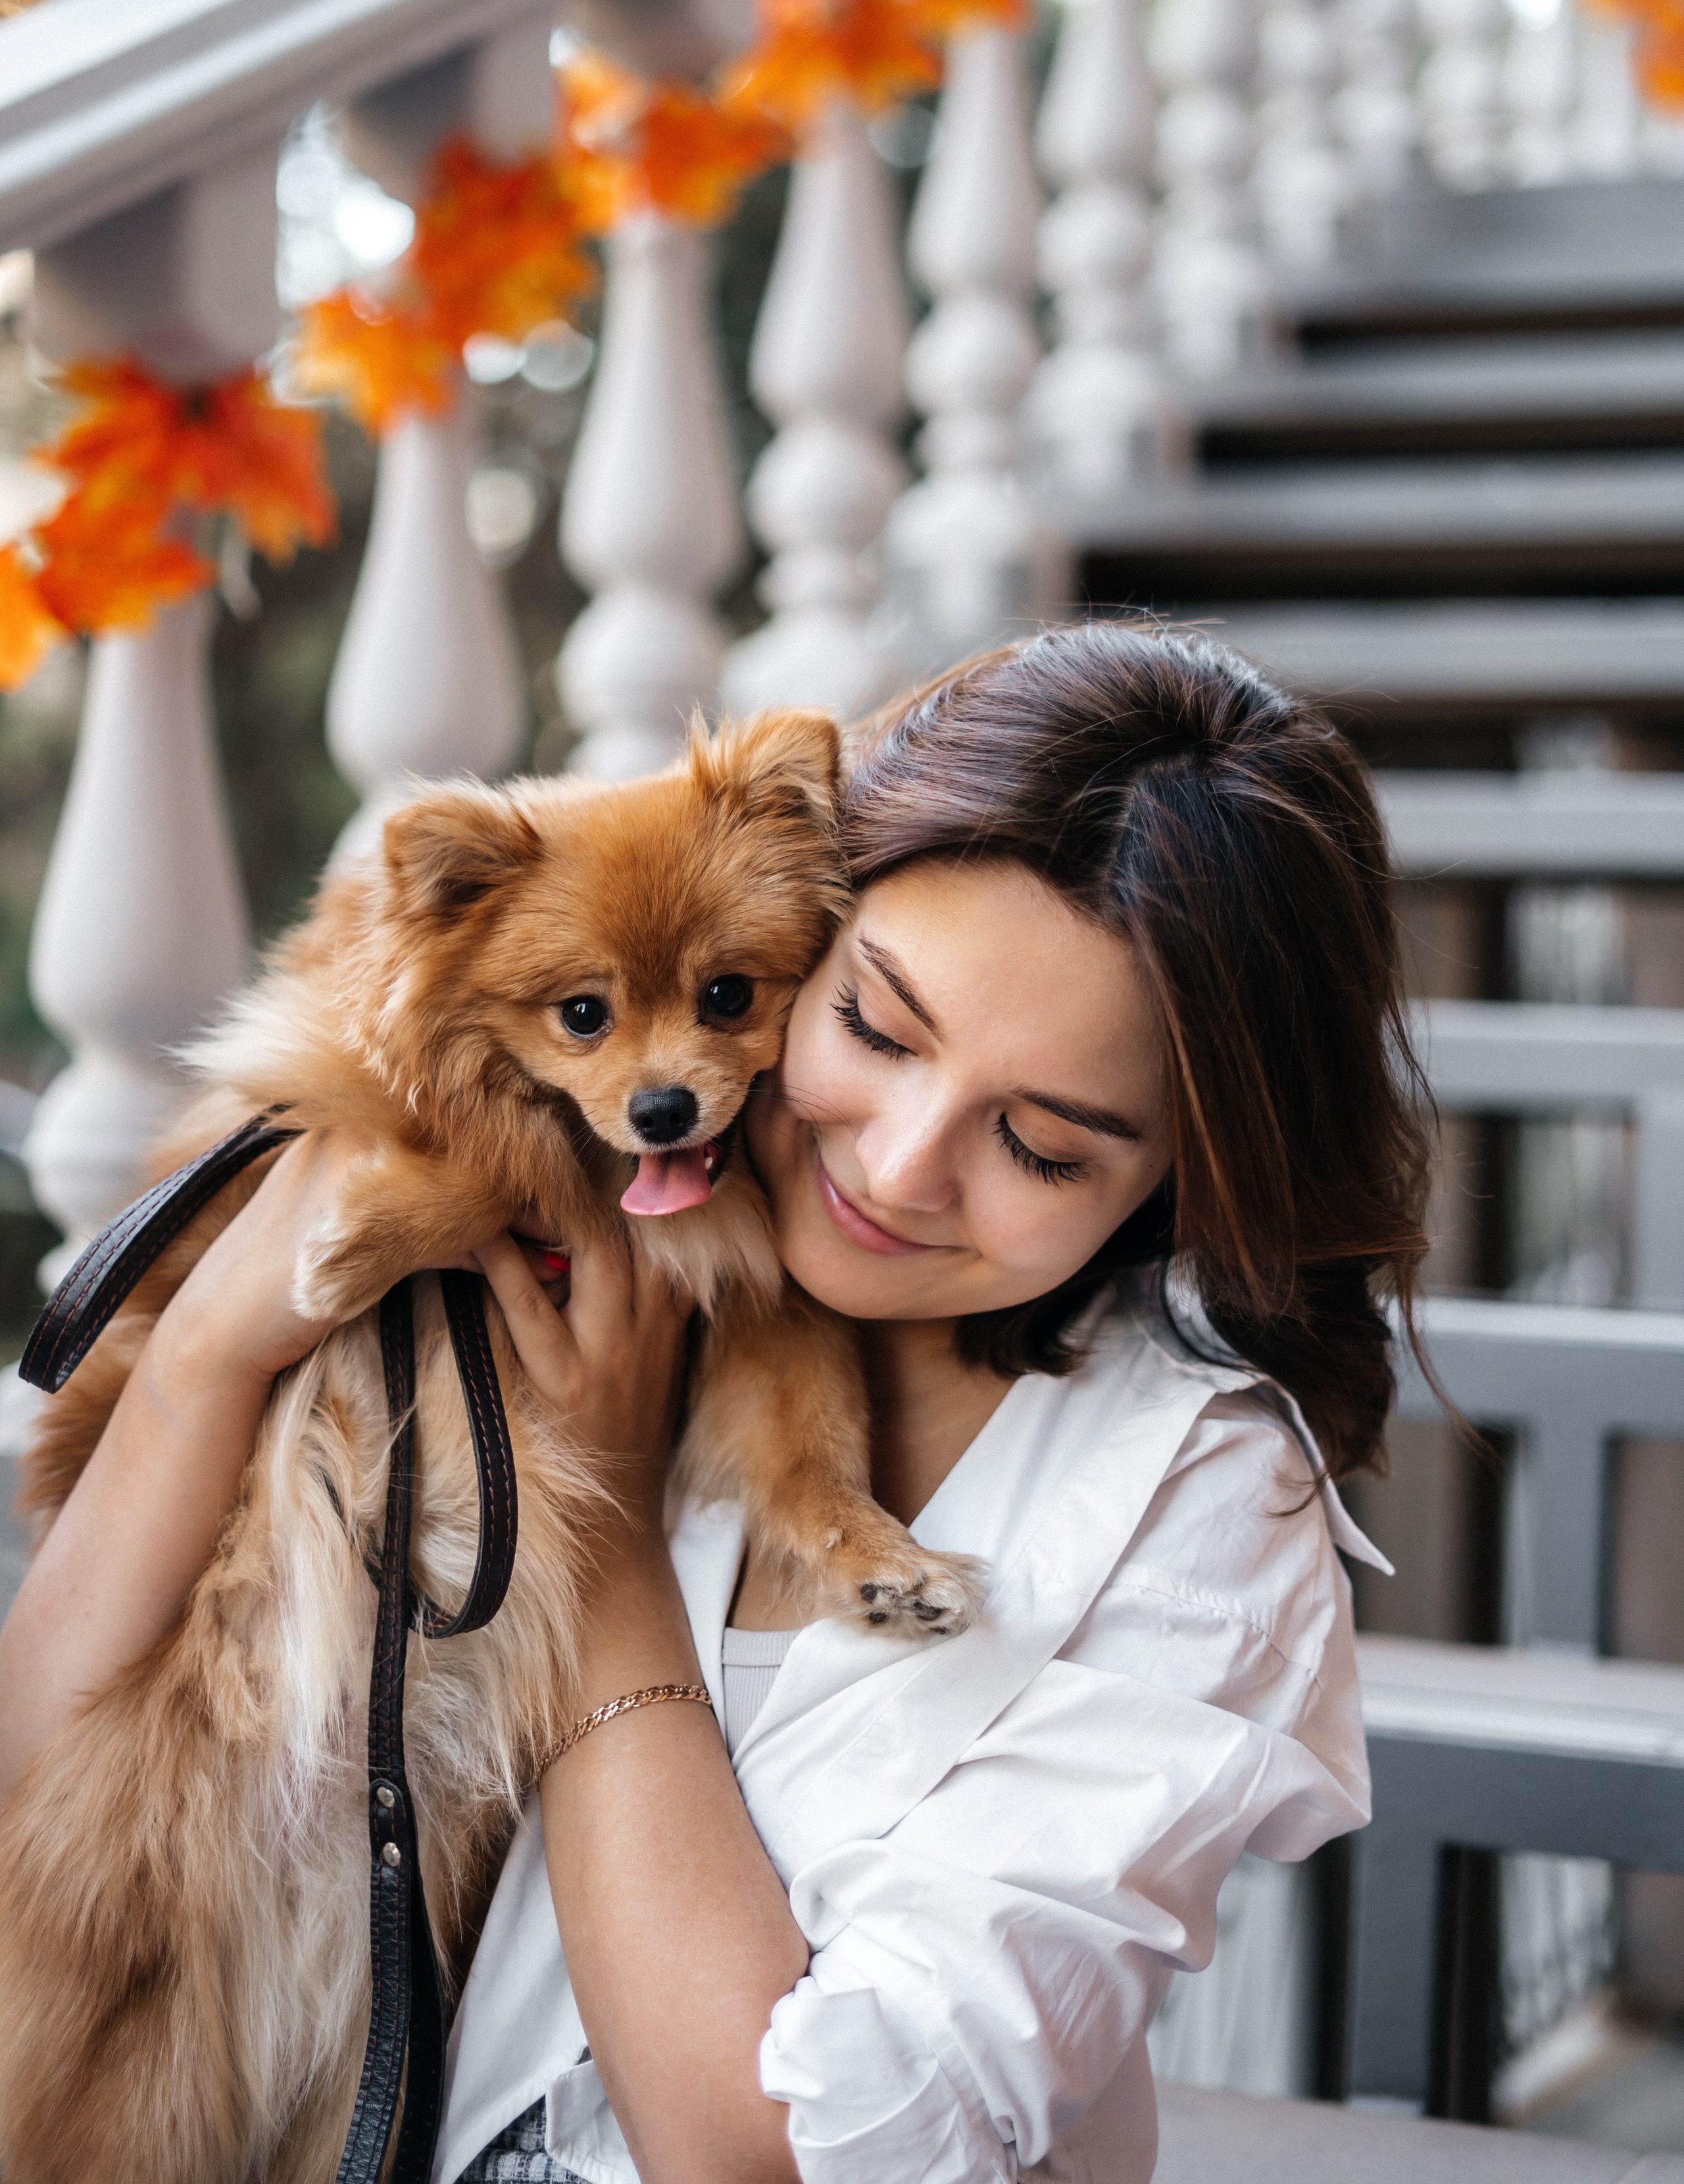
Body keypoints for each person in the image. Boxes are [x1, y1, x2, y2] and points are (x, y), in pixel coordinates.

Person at [0, 621, 1432, 2184]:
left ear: (1185, 1178)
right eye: (872, 1027)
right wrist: (212, 1350)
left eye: (1041, 1145)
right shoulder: (588, 1255)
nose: (895, 1168)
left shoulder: (1196, 1509)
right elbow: (42, 1776)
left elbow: (776, 2158)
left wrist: (610, 1549)